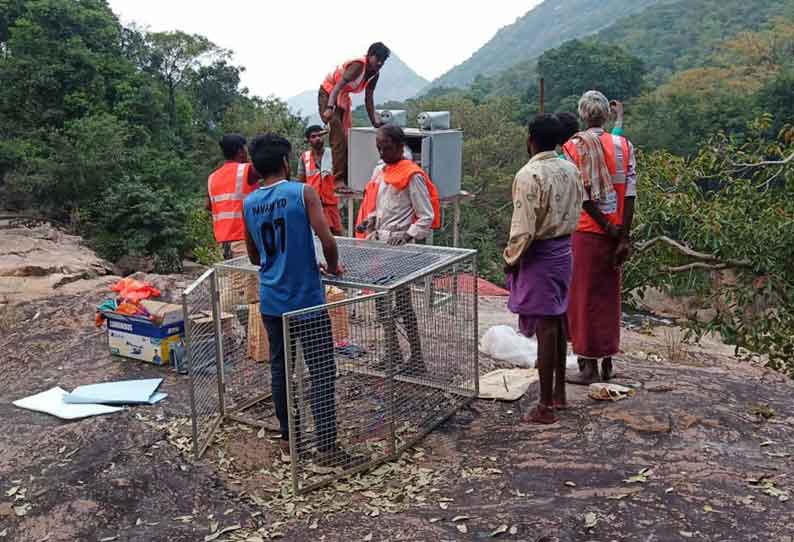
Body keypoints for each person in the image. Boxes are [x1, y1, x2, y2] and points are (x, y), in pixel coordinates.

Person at [242, 133, 352, 467]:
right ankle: (327, 446)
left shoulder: (248, 203)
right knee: (320, 370)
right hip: (306, 301)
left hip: (272, 302)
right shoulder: (302, 193)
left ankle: (290, 441)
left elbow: (253, 256)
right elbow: (328, 240)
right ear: (285, 163)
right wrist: (331, 267)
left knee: (281, 370)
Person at [503, 114, 584, 425]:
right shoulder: (570, 168)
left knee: (546, 327)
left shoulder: (529, 174)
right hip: (565, 249)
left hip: (540, 253)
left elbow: (523, 227)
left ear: (531, 140)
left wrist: (511, 258)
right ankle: (559, 393)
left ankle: (545, 405)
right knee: (558, 319)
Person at [562, 91, 637, 384]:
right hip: (617, 231)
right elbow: (630, 192)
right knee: (608, 296)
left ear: (583, 115)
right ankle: (607, 362)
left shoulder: (573, 147)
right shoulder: (623, 145)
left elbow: (581, 194)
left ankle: (588, 366)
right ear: (606, 115)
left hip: (588, 232)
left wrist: (605, 226)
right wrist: (623, 237)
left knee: (583, 297)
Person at [357, 125, 441, 374]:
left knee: (403, 304)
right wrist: (370, 220)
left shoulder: (412, 174)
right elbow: (379, 206)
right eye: (379, 148)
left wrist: (407, 235)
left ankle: (416, 359)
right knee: (382, 304)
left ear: (400, 145)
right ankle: (392, 353)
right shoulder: (381, 171)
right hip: (379, 243)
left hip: (400, 249)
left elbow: (426, 216)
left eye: (387, 147)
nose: (382, 153)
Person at [319, 42, 390, 190]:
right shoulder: (358, 66)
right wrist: (330, 107)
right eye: (378, 58)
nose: (380, 62)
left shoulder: (374, 75)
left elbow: (368, 99)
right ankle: (338, 180)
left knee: (347, 137)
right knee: (338, 136)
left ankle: (347, 177)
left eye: (383, 60)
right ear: (370, 55)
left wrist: (375, 122)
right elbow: (338, 86)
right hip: (329, 94)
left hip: (342, 98)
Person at [206, 134, 261, 259]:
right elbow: (268, 171)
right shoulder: (247, 170)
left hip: (222, 242)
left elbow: (209, 206)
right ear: (240, 151)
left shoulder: (212, 177)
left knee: (230, 278)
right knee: (248, 277)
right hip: (243, 239)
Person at [297, 125, 342, 235]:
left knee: (337, 236)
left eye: (320, 135)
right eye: (313, 136)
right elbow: (300, 183)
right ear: (308, 140)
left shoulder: (332, 154)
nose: (318, 138)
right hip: (313, 206)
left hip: (331, 205)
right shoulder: (304, 158)